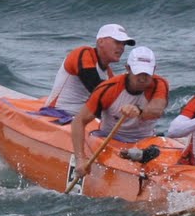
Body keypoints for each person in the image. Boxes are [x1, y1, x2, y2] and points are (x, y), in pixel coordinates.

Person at [70, 46, 169, 178]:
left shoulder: (159, 84)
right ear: (128, 69)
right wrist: (80, 159)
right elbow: (79, 121)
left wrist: (138, 111)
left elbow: (157, 110)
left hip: (145, 140)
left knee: (157, 152)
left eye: (147, 73)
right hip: (110, 138)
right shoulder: (108, 88)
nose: (142, 78)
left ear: (154, 70)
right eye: (138, 73)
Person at [45, 23, 136, 114]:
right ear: (100, 42)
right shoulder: (83, 53)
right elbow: (96, 88)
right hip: (56, 113)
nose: (121, 48)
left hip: (81, 118)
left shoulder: (108, 74)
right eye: (117, 42)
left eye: (123, 44)